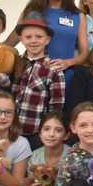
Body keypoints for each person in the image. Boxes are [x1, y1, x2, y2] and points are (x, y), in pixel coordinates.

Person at [6, 0, 88, 84]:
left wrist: (68, 63)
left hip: (67, 78)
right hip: (35, 79)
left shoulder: (78, 15)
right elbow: (10, 43)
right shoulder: (31, 12)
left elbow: (84, 53)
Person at [11, 13, 65, 149]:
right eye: (28, 37)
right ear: (21, 39)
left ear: (47, 39)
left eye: (39, 37)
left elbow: (56, 106)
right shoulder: (16, 63)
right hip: (12, 129)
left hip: (37, 133)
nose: (33, 41)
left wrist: (48, 131)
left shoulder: (54, 69)